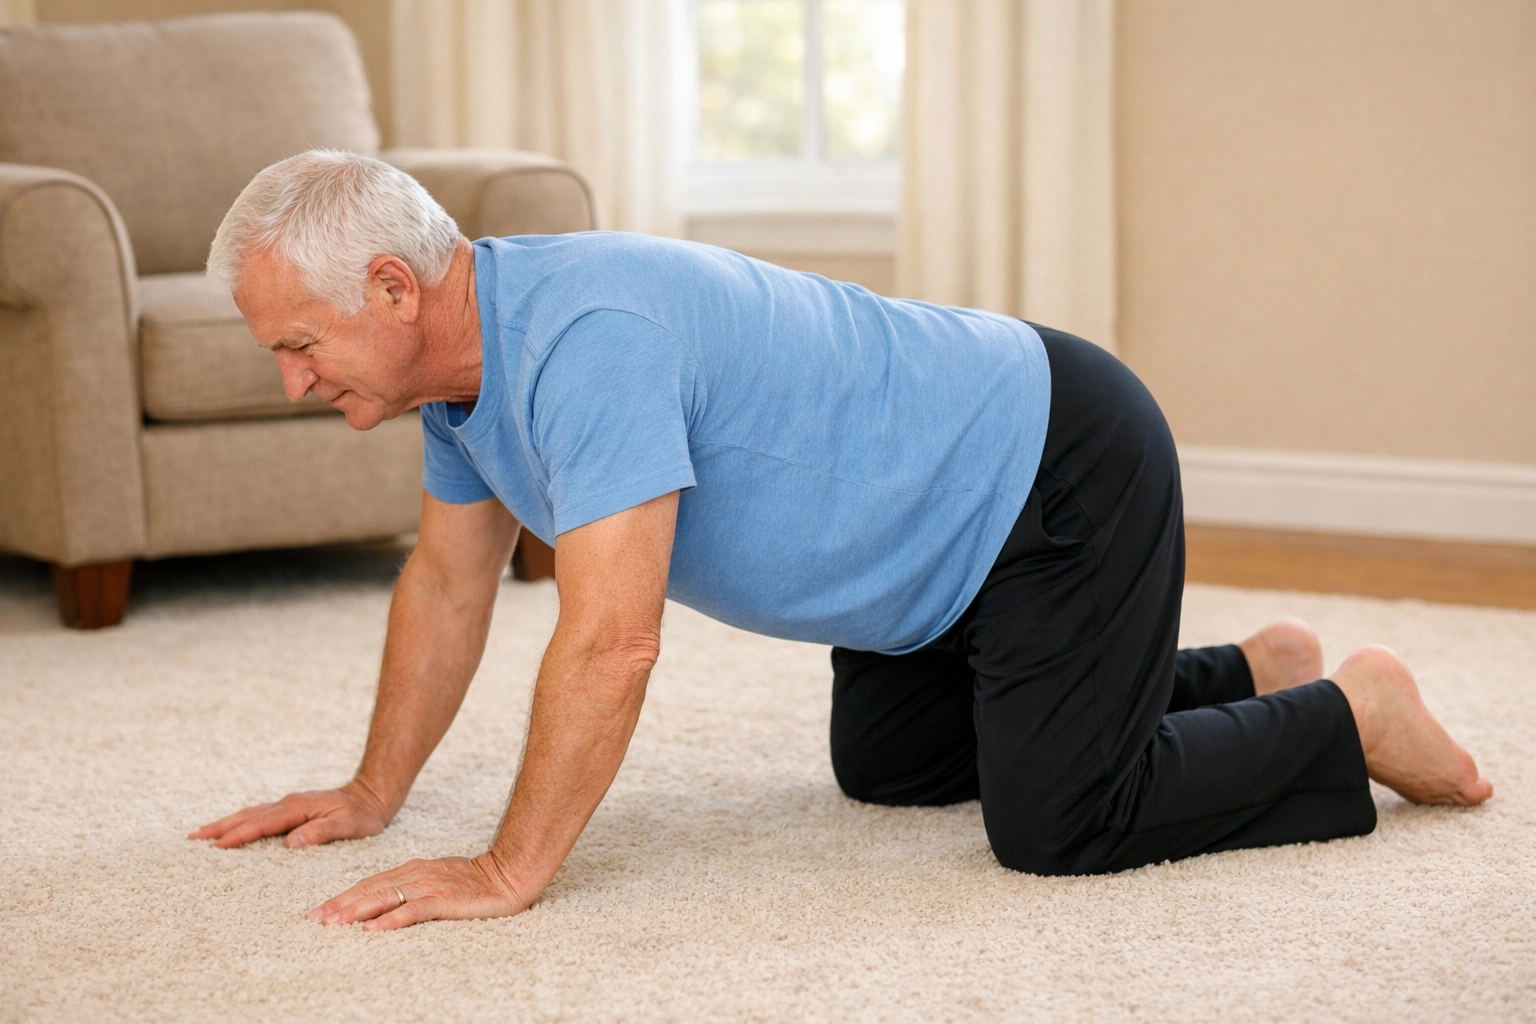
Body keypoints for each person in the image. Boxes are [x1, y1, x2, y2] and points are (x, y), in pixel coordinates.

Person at [190, 150, 1492, 932]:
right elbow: (448, 586)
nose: (295, 382)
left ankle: (1347, 713)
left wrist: (509, 867)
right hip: (934, 559)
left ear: (393, 289)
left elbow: (612, 642)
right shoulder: (459, 387)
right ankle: (1240, 670)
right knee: (890, 765)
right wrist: (372, 792)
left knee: (1064, 822)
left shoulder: (583, 339)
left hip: (1052, 463)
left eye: (299, 345)